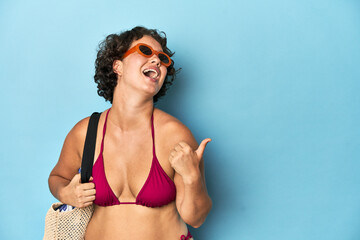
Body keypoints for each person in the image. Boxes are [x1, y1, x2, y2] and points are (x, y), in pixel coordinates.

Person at [48, 26, 212, 240]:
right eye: (145, 51)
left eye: (162, 58)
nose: (156, 61)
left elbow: (196, 218)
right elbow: (57, 177)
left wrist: (191, 177)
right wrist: (64, 192)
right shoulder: (86, 132)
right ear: (118, 66)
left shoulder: (175, 134)